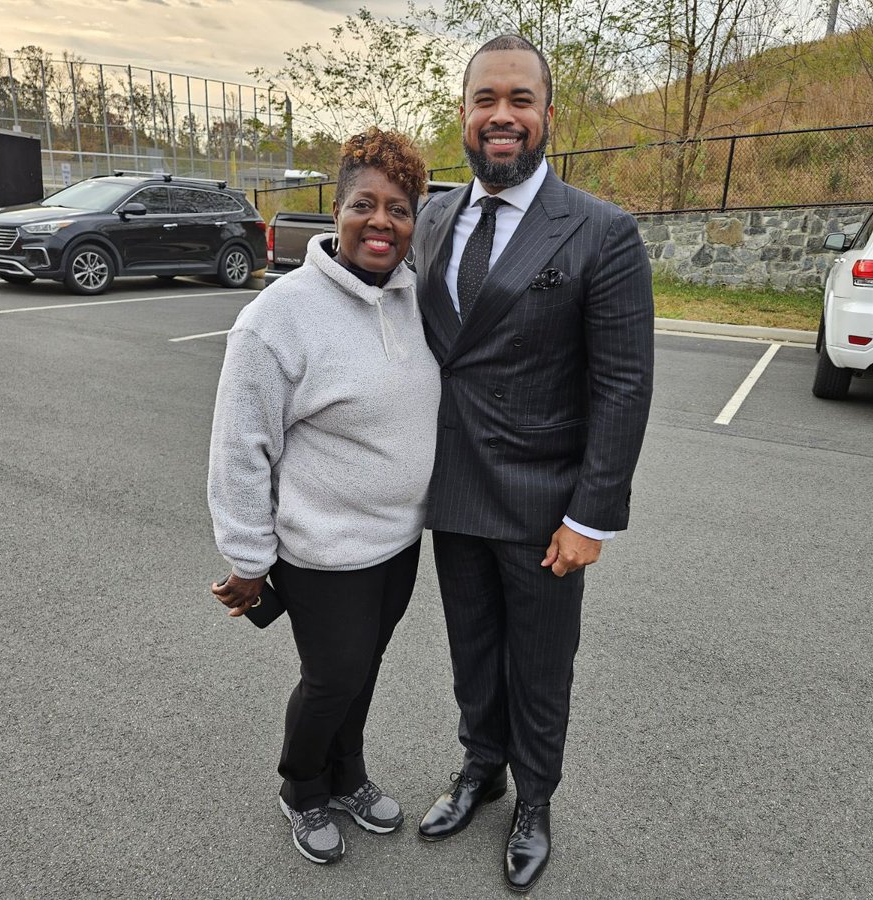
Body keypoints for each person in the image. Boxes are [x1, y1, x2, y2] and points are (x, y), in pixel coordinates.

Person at [411, 35, 655, 892]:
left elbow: (623, 384)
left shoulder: (600, 231)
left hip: (545, 505)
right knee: (471, 651)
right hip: (451, 492)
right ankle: (481, 769)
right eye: (486, 99)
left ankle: (535, 799)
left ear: (549, 116)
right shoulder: (434, 216)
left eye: (520, 99)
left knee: (541, 667)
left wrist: (592, 516)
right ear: (465, 115)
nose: (502, 116)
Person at [207, 129, 440, 865]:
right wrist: (247, 559)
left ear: (414, 224)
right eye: (364, 205)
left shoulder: (411, 301)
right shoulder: (279, 317)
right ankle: (302, 786)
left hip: (399, 543)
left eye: (399, 209)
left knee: (362, 670)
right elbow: (241, 445)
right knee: (332, 676)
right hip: (322, 551)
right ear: (334, 213)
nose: (381, 221)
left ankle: (349, 775)